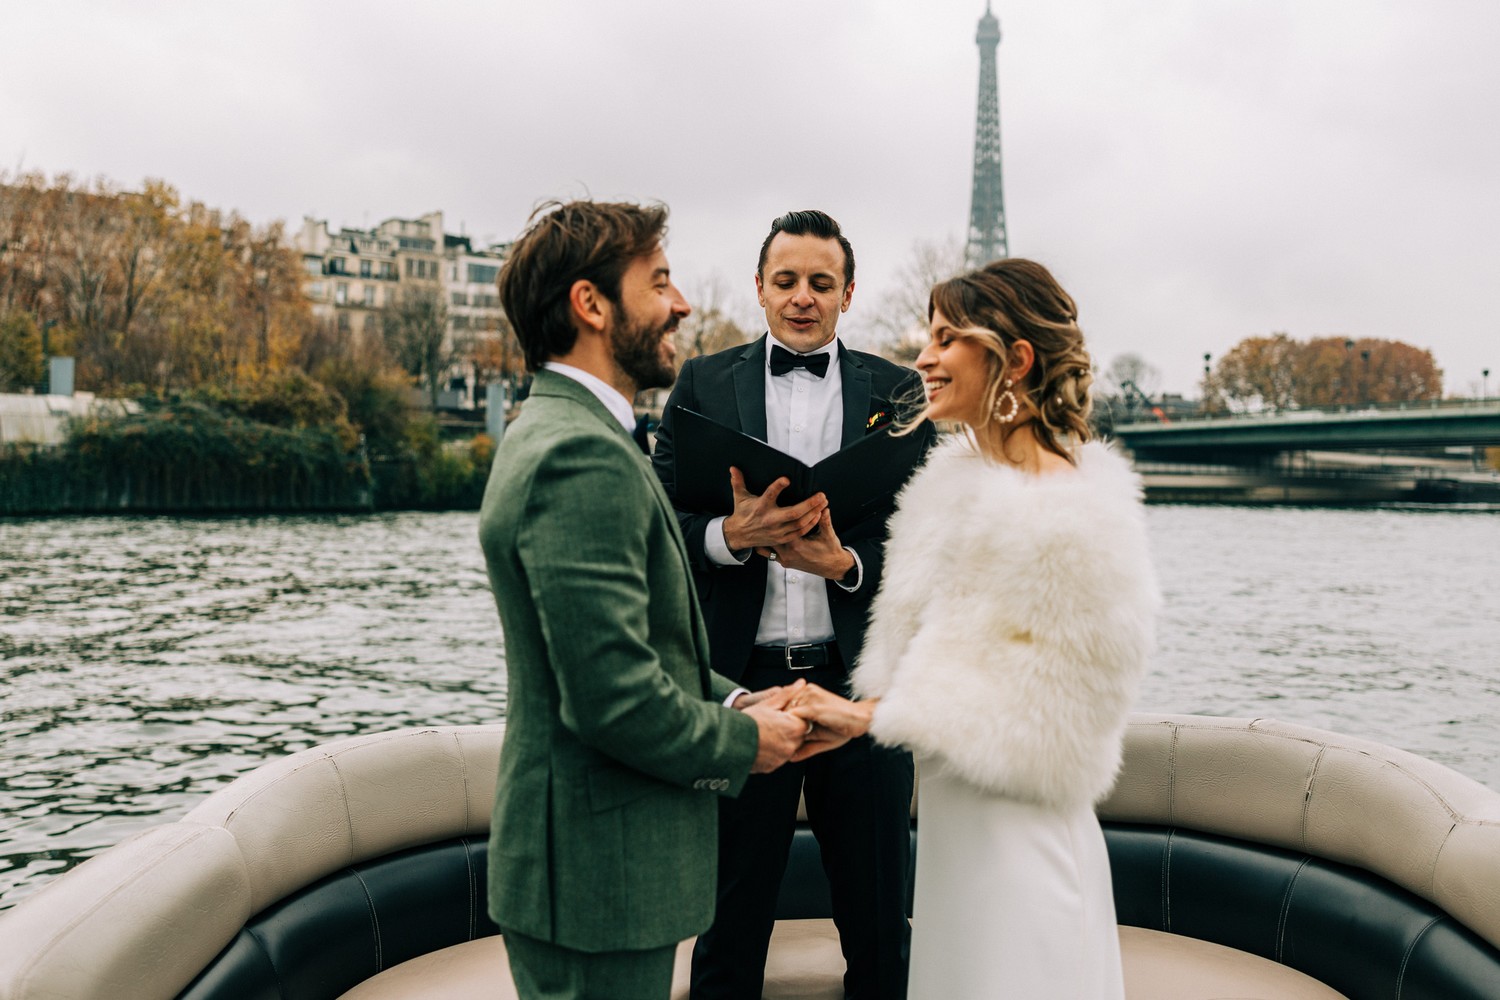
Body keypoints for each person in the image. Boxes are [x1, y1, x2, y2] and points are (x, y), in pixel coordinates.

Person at [790, 258, 1161, 997]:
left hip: (1022, 857)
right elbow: (952, 665)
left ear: (1014, 360)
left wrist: (870, 717)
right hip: (960, 848)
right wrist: (865, 715)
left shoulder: (1071, 512)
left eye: (948, 337)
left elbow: (1051, 710)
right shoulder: (955, 488)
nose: (923, 357)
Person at [479, 199, 811, 1000]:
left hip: (595, 878)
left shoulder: (566, 434)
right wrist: (745, 745)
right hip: (599, 885)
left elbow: (640, 656)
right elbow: (613, 699)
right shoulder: (580, 459)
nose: (683, 304)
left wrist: (744, 702)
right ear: (591, 306)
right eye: (659, 281)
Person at [651, 210, 934, 1000]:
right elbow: (653, 526)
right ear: (759, 288)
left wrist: (844, 562)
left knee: (882, 930)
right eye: (786, 281)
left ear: (848, 292)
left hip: (861, 692)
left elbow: (934, 544)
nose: (802, 298)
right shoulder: (701, 384)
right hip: (739, 689)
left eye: (819, 282)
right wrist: (728, 537)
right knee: (726, 934)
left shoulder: (901, 393)